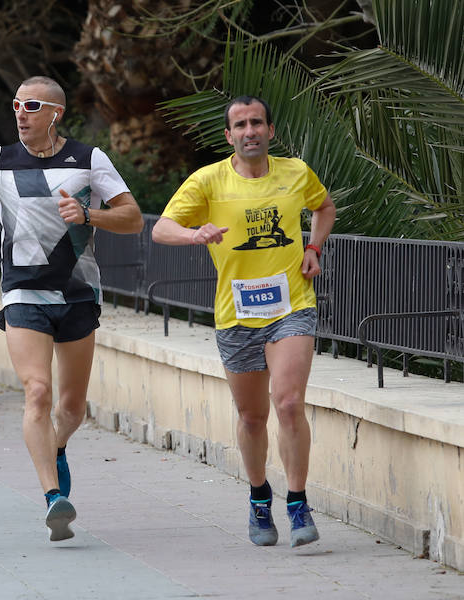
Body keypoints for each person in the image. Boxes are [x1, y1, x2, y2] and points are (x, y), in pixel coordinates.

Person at [0, 76, 144, 542]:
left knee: (70, 407)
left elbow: (132, 217)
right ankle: (53, 497)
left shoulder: (88, 160)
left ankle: (58, 444)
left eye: (30, 105)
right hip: (23, 292)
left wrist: (89, 215)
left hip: (78, 293)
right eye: (15, 105)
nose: (20, 113)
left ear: (55, 113)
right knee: (38, 392)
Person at [151, 95, 336, 548]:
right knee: (252, 417)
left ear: (271, 131)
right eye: (240, 124)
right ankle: (259, 497)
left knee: (288, 402)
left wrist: (313, 249)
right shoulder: (208, 180)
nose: (249, 130)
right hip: (236, 315)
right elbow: (160, 228)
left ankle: (297, 501)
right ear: (229, 135)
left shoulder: (295, 172)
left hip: (292, 306)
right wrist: (195, 233)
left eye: (257, 123)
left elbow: (324, 207)